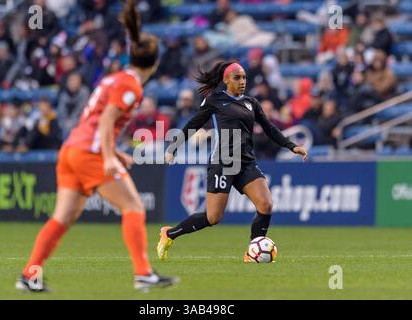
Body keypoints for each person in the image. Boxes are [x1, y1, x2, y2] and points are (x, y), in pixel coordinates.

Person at [16, 0, 178, 293]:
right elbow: (106, 119)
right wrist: (107, 157)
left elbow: (92, 118)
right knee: (133, 206)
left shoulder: (115, 78)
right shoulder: (132, 86)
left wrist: (114, 152)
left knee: (62, 218)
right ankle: (143, 273)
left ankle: (30, 274)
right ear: (154, 63)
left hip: (71, 149)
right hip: (89, 153)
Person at [158, 61, 308, 262]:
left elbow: (269, 128)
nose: (242, 81)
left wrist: (292, 146)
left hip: (246, 162)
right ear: (226, 80)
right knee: (213, 217)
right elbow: (194, 123)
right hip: (223, 162)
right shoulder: (215, 100)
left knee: (266, 204)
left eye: (244, 77)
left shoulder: (251, 103)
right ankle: (169, 234)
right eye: (237, 78)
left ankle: (252, 253)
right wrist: (173, 147)